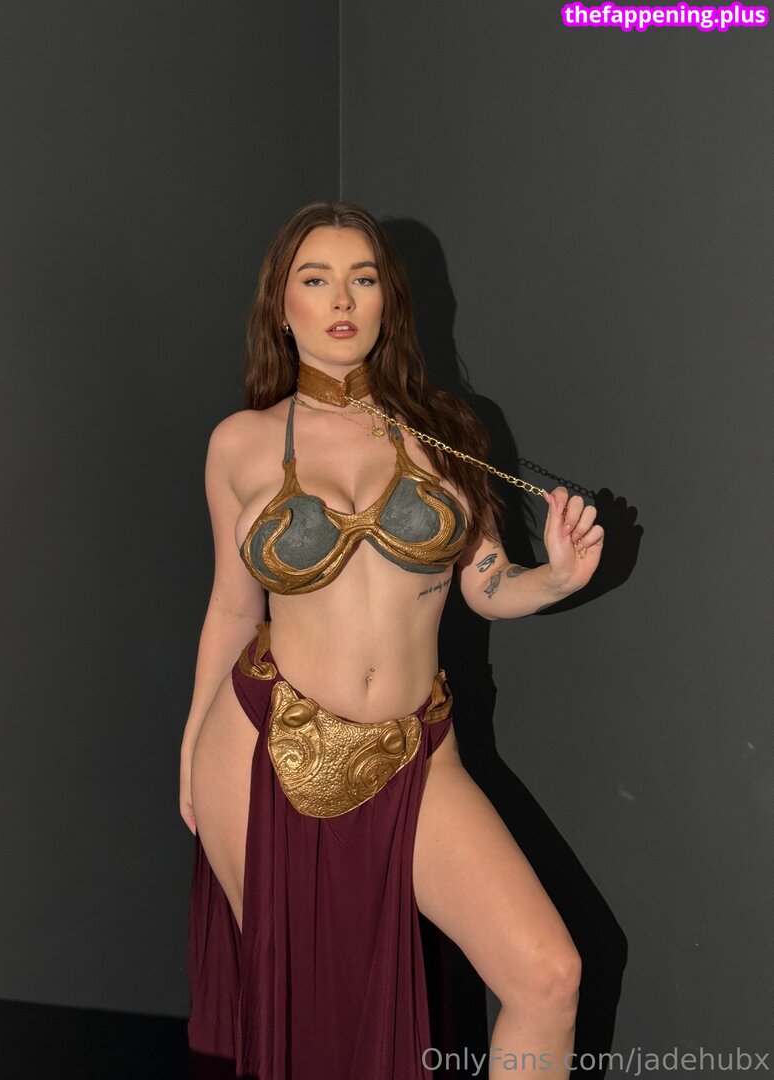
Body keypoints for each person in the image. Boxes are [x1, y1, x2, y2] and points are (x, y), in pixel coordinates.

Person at [180, 200, 604, 1080]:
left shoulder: (447, 432)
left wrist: (557, 579)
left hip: (416, 757)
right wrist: (189, 755)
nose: (342, 299)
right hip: (262, 752)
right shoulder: (240, 445)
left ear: (387, 301)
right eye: (316, 279)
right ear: (281, 306)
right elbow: (231, 607)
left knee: (548, 976)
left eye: (363, 279)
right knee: (308, 1024)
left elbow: (486, 583)